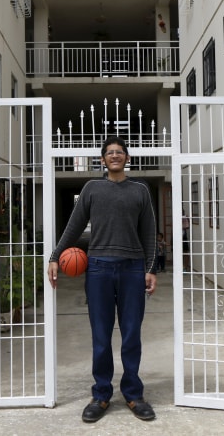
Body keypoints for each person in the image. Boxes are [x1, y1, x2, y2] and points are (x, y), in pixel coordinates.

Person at [48, 136, 158, 423]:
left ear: (127, 158)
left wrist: (151, 268)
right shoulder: (92, 189)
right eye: (109, 152)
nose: (114, 156)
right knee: (101, 336)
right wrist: (54, 256)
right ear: (102, 160)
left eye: (119, 152)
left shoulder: (140, 191)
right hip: (98, 269)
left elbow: (149, 233)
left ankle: (134, 394)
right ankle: (101, 394)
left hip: (133, 268)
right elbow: (73, 227)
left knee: (131, 334)